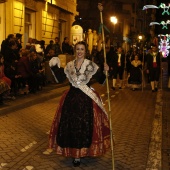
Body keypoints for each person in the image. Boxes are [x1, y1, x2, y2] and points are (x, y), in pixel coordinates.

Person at [49, 41, 111, 167]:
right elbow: (60, 78)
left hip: (85, 101)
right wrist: (55, 67)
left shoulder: (91, 65)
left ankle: (81, 152)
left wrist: (105, 71)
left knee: (84, 127)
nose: (80, 51)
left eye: (82, 49)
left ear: (85, 51)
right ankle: (75, 154)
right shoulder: (70, 65)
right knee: (71, 127)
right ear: (75, 50)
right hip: (71, 101)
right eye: (78, 49)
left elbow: (101, 80)